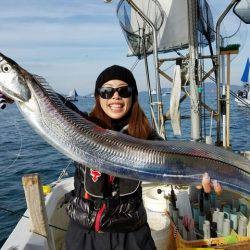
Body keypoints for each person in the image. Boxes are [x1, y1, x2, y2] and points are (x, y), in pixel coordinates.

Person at [63, 65, 161, 250]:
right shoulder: (81, 127)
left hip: (132, 237)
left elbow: (179, 163)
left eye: (123, 91)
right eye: (107, 91)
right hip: (83, 236)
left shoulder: (148, 138)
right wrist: (19, 95)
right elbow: (53, 105)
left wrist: (201, 179)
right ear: (98, 97)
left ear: (133, 97)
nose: (116, 96)